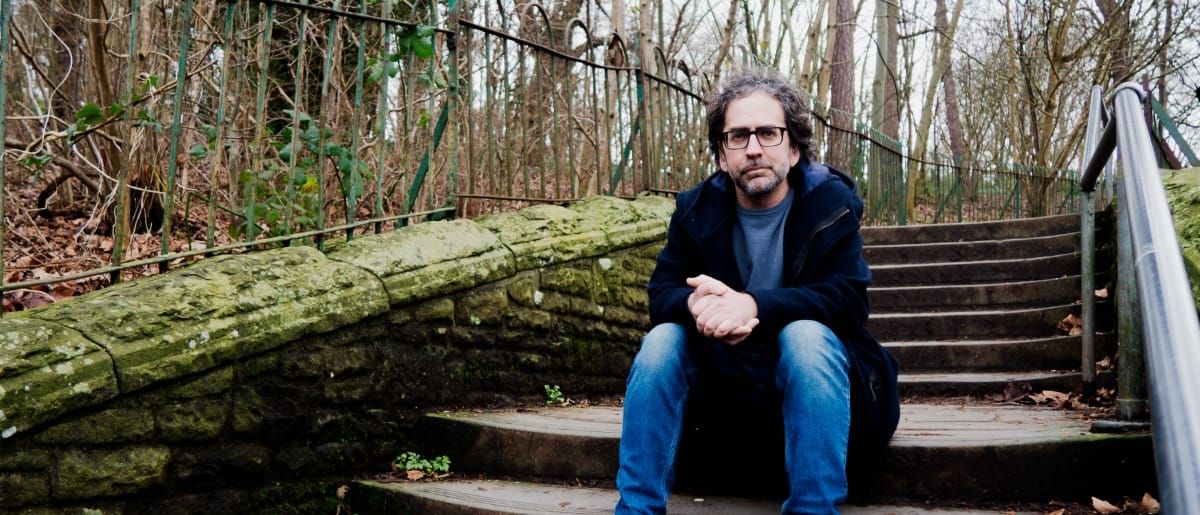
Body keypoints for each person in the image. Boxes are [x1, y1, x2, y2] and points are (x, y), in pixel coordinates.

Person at [615, 68, 900, 515]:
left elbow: (848, 300)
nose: (753, 149)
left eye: (768, 133)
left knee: (804, 335)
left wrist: (752, 304)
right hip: (725, 397)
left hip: (820, 390)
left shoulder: (831, 205)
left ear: (794, 147)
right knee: (662, 339)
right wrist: (698, 305)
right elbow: (660, 295)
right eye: (737, 137)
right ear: (721, 156)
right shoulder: (695, 211)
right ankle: (636, 511)